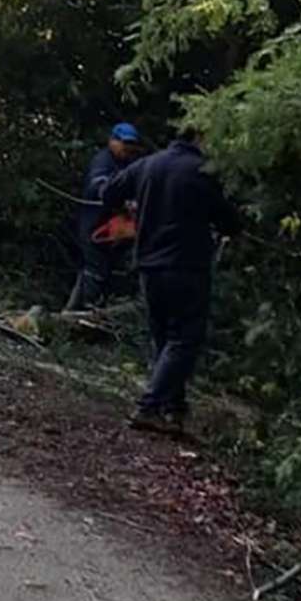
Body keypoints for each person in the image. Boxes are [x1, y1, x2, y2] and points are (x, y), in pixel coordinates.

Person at [103, 127, 242, 434]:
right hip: (185, 267)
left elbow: (108, 192)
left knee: (164, 339)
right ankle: (148, 406)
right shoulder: (201, 171)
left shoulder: (148, 164)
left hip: (148, 265)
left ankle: (173, 410)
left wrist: (131, 208)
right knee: (183, 339)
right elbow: (229, 221)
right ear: (200, 138)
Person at [65, 122, 145, 311]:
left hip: (117, 229)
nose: (128, 147)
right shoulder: (103, 161)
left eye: (132, 143)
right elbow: (98, 186)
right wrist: (119, 198)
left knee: (114, 269)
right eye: (124, 142)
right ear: (112, 141)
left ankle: (89, 309)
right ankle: (84, 310)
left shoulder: (131, 162)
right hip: (95, 225)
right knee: (94, 269)